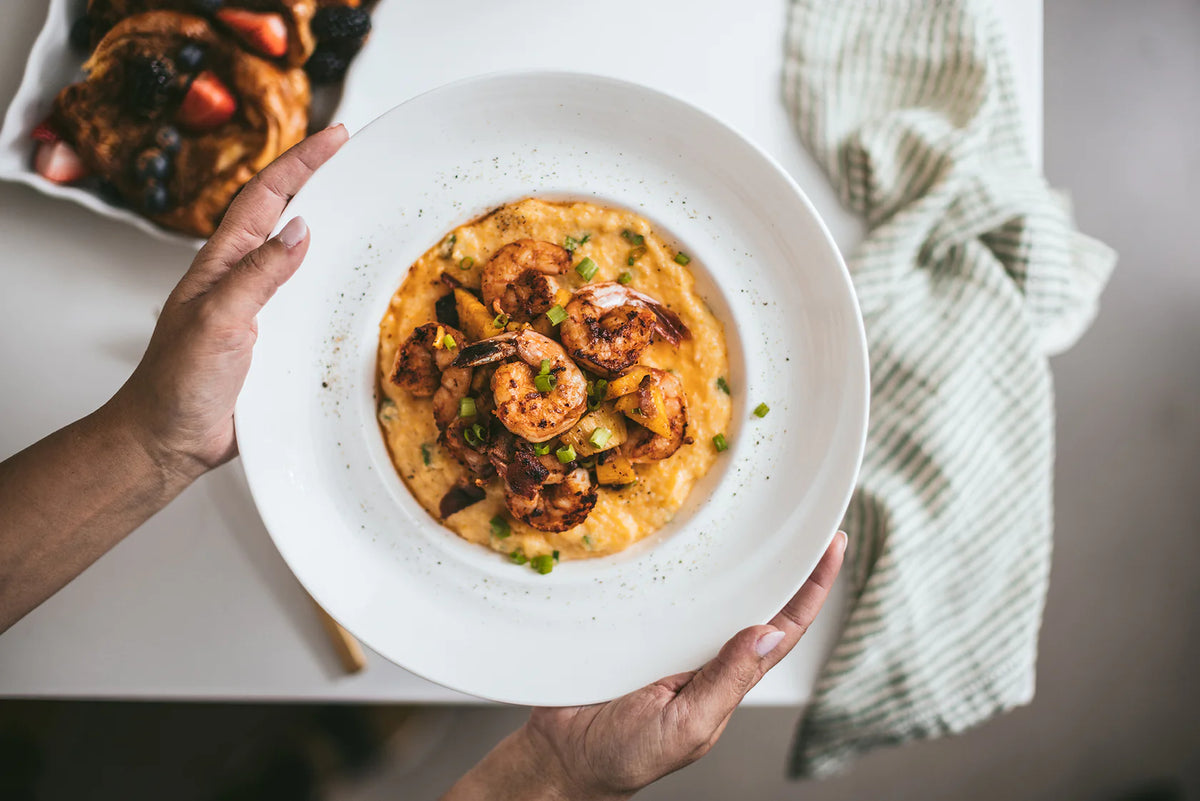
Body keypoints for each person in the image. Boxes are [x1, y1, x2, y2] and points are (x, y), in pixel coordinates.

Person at [0, 126, 846, 798]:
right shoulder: (492, 388)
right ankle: (337, 747)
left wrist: (160, 437)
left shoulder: (592, 426)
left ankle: (330, 749)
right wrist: (553, 781)